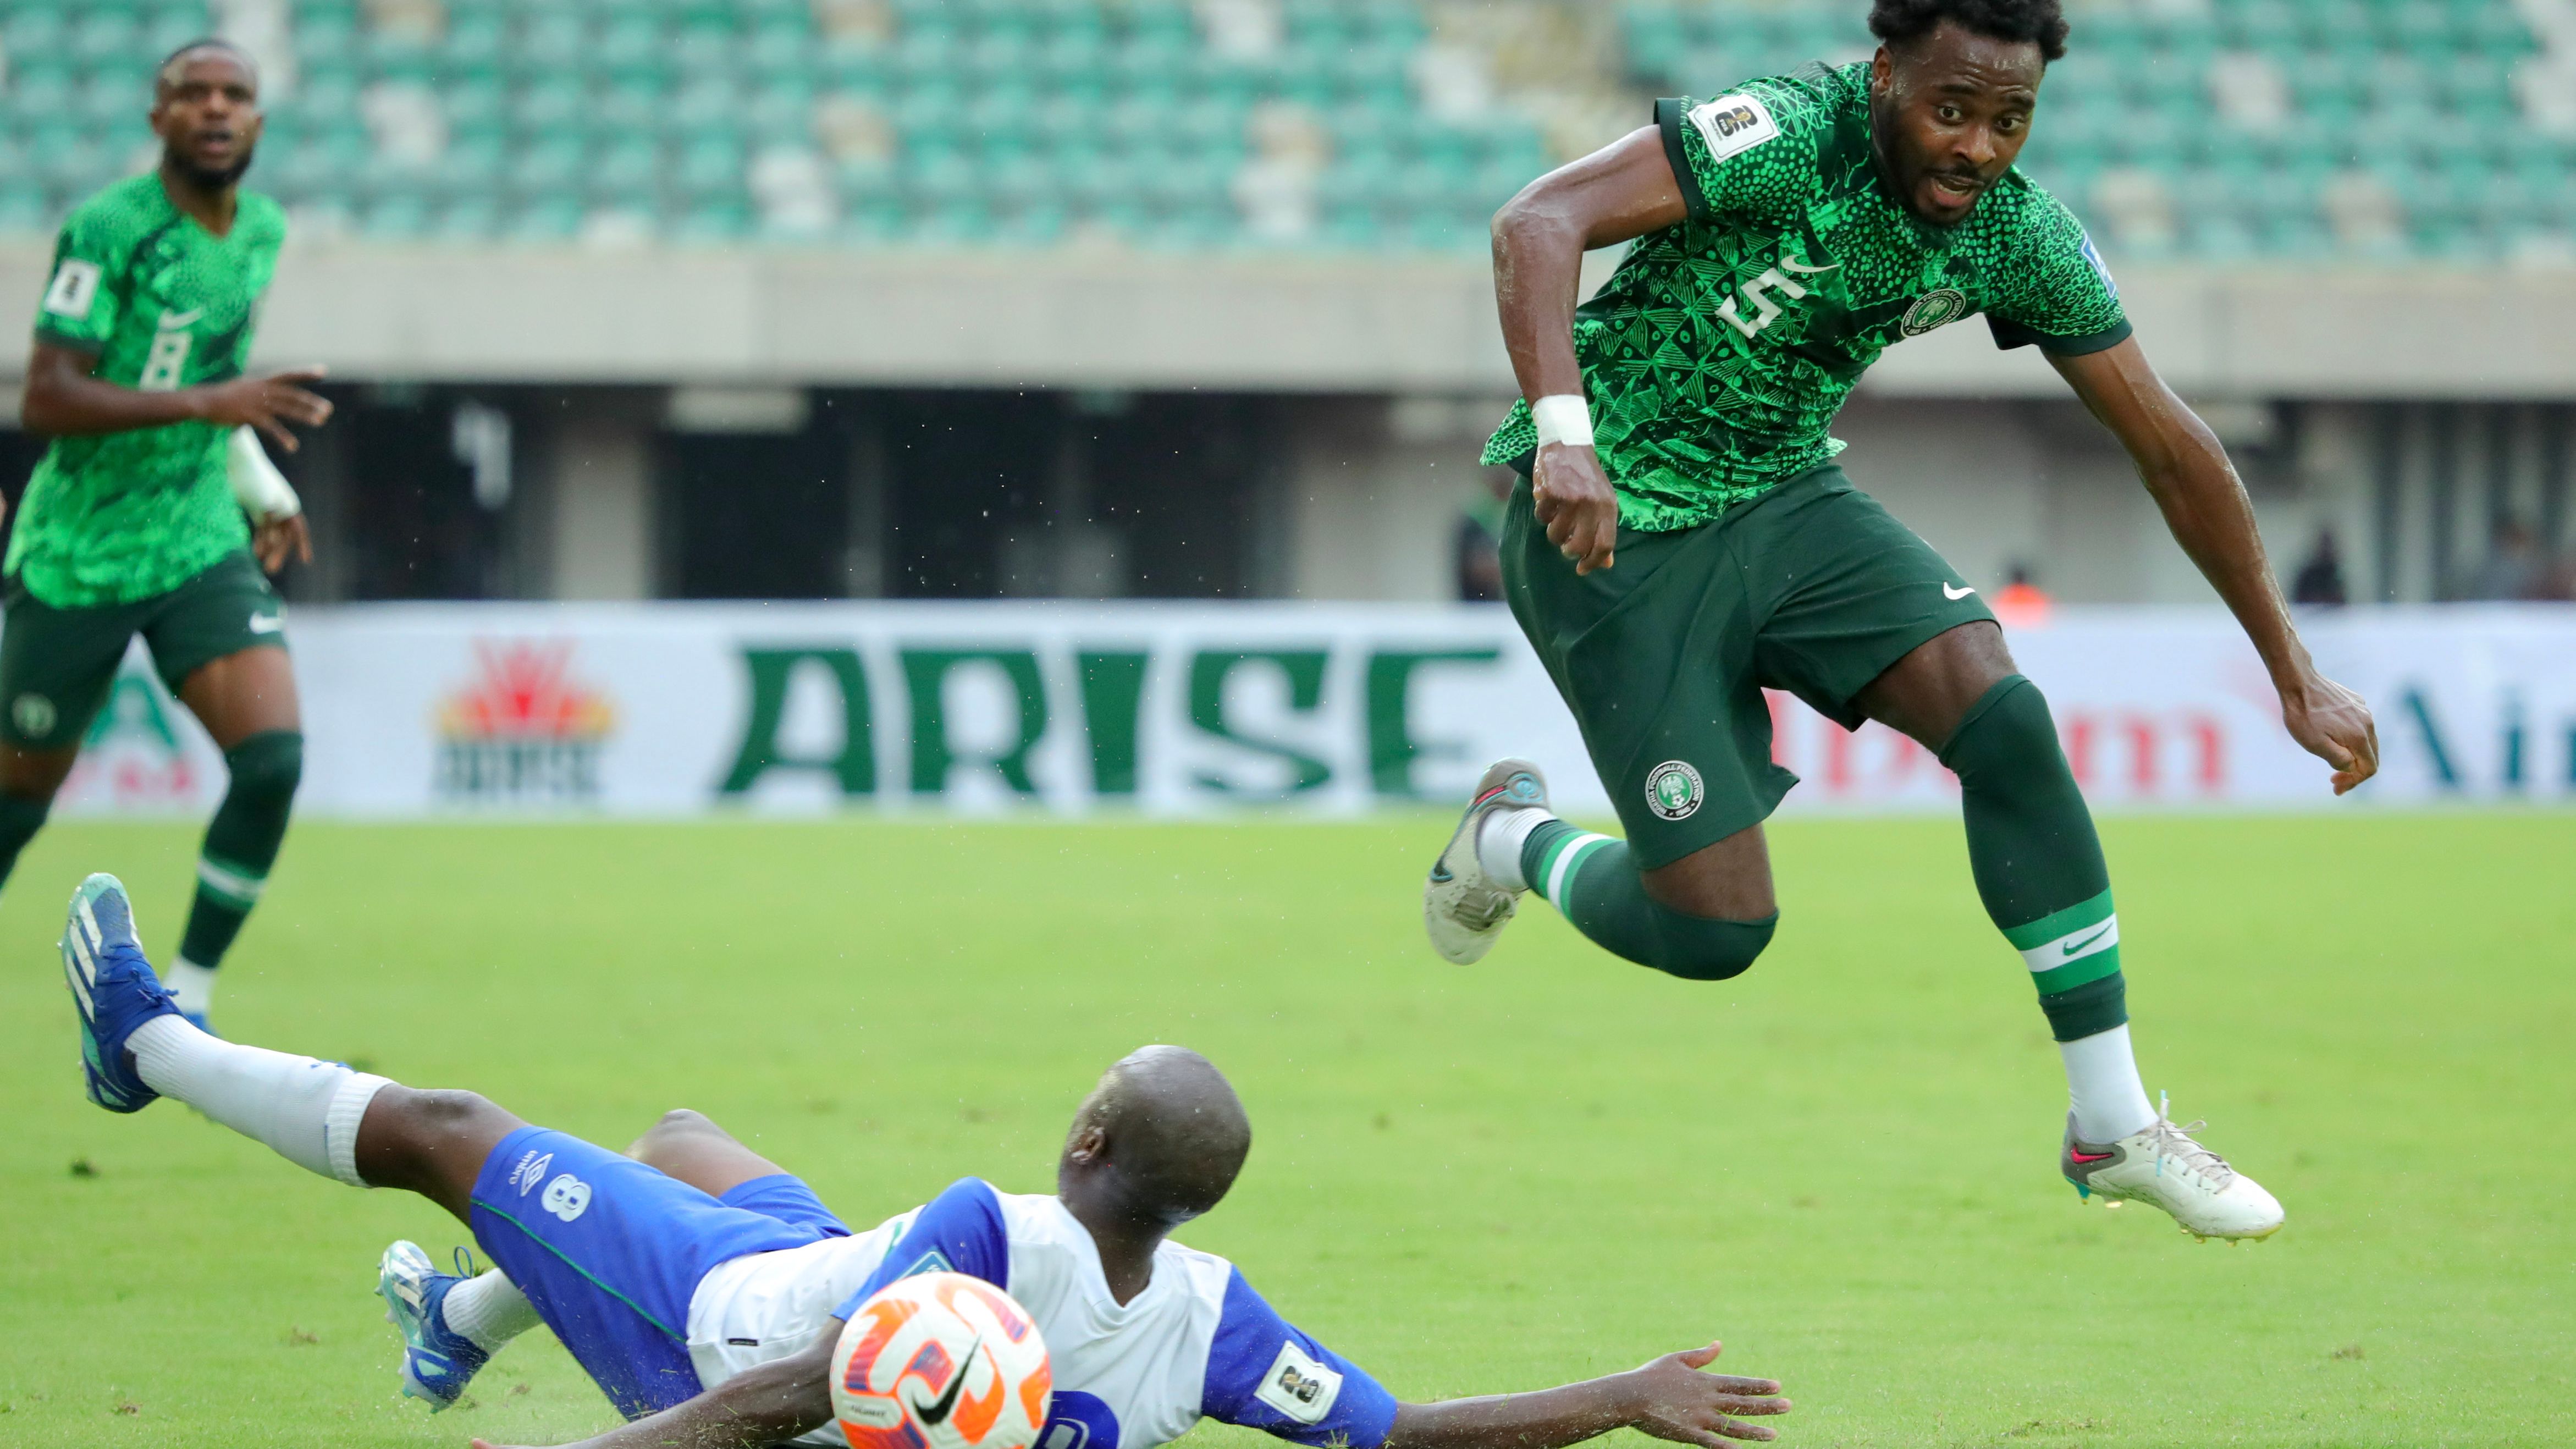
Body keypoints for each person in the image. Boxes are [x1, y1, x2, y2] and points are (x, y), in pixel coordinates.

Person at [1422, 0, 2380, 1242]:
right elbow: (1536, 220)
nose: (1979, 146)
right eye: (1952, 108)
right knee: (1720, 933)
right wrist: (1565, 436)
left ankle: (2114, 1123)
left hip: (1784, 501)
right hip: (1612, 533)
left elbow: (2170, 447)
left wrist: (2293, 671)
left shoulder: (2018, 233)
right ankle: (1513, 840)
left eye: (2010, 120)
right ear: (1884, 79)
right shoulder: (1781, 132)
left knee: (2005, 715)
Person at [58, 873, 1795, 1449]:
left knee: (446, 1131)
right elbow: (1405, 1435)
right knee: (678, 1131)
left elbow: (797, 1394)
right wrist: (1620, 1392)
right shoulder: (1206, 1318)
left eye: (1100, 1081)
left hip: (711, 1327)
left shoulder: (983, 1231)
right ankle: (458, 1320)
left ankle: (145, 1046)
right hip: (811, 1252)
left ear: (1085, 1135)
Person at [3, 40, 330, 1030]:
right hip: (80, 555)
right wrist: (211, 404)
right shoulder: (109, 228)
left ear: (260, 124)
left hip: (195, 538)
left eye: (236, 95)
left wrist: (256, 477)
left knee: (272, 761)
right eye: (194, 94)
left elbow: (212, 375)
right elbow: (48, 401)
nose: (217, 109)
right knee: (17, 806)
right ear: (159, 118)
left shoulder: (262, 231)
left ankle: (181, 1006)